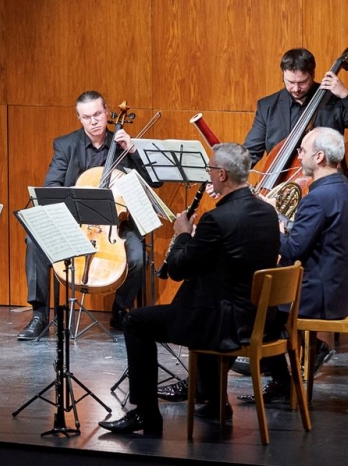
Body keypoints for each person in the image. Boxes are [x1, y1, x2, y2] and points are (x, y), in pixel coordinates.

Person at [98, 143, 280, 435]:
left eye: (210, 169)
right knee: (201, 302)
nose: (208, 174)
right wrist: (198, 243)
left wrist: (183, 235)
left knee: (135, 321)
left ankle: (145, 414)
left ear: (222, 174)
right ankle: (215, 401)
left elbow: (178, 270)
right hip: (258, 316)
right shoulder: (267, 212)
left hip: (223, 323)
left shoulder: (216, 220)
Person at [238, 127, 348, 403]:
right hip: (345, 293)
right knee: (263, 306)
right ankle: (281, 368)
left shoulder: (316, 198)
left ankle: (274, 373)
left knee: (251, 303)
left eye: (303, 150)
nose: (299, 155)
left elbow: (292, 250)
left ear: (319, 156)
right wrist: (281, 218)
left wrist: (270, 220)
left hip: (318, 297)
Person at [18, 90, 161, 340]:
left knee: (138, 256)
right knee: (34, 241)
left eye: (97, 114)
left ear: (107, 113)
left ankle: (120, 310)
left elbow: (154, 182)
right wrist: (79, 193)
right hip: (74, 223)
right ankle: (39, 315)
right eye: (86, 117)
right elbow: (52, 185)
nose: (93, 121)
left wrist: (133, 150)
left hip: (115, 225)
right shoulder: (65, 145)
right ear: (79, 118)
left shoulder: (122, 146)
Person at [244, 48, 348, 166]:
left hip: (325, 183)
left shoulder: (334, 101)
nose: (296, 89)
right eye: (290, 82)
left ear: (313, 75)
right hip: (280, 183)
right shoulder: (267, 106)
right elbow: (251, 152)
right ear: (283, 75)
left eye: (302, 82)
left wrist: (346, 95)